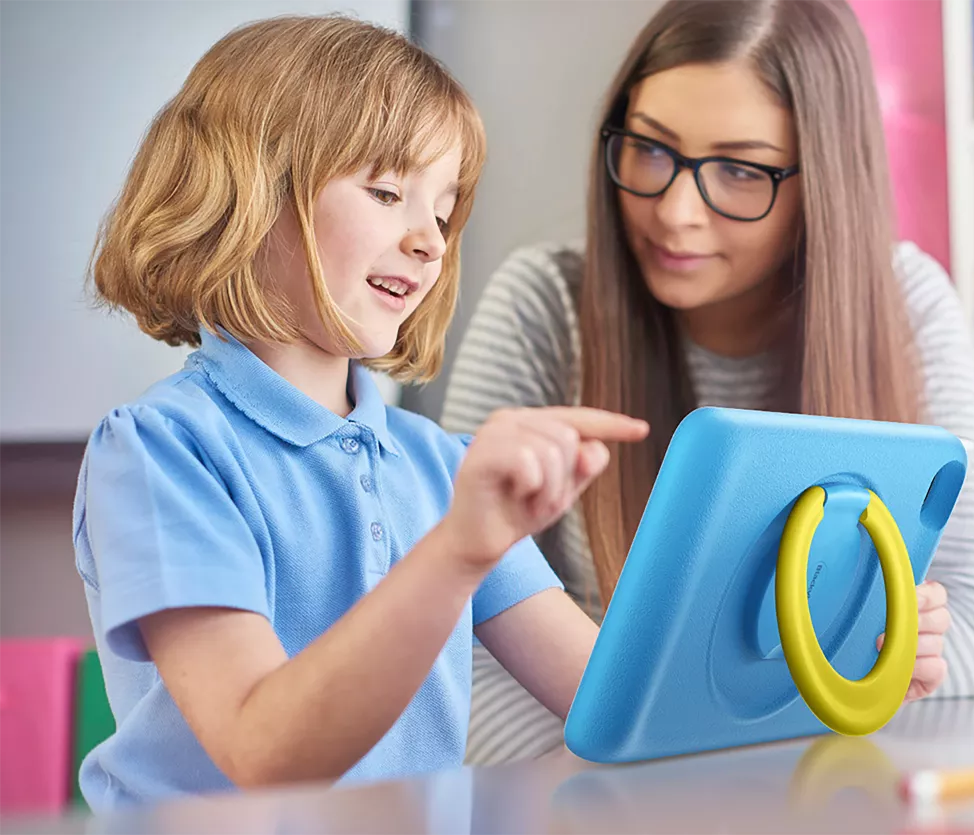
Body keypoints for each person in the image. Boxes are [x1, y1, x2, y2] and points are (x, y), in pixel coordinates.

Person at [71, 14, 647, 809]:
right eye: (386, 192)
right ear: (250, 191)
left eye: (443, 212)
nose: (431, 241)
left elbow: (620, 709)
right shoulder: (161, 449)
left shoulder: (439, 465)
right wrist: (456, 551)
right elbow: (263, 749)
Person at [441, 0, 974, 765]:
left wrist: (754, 766)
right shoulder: (542, 303)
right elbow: (450, 626)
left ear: (823, 181)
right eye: (650, 149)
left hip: (819, 792)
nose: (674, 212)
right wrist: (608, 785)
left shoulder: (904, 300)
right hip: (598, 789)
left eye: (741, 171)